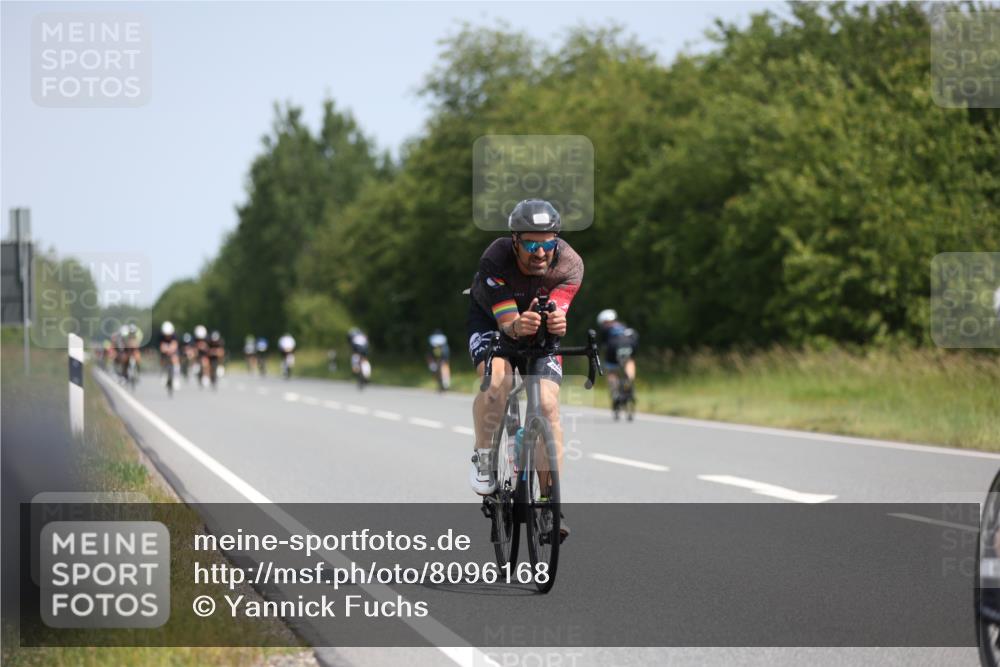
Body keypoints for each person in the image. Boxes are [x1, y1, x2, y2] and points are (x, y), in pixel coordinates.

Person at [466, 199, 583, 541]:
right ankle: (485, 457)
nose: (541, 253)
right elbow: (508, 324)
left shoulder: (571, 263)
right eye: (531, 244)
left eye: (548, 244)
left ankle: (549, 503)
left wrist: (557, 322)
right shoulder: (495, 258)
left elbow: (557, 315)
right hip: (492, 321)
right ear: (515, 240)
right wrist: (518, 326)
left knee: (547, 405)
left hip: (538, 327)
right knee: (498, 381)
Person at [596, 309, 639, 412]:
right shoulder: (623, 326)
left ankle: (614, 391)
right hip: (630, 342)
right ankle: (629, 379)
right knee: (630, 361)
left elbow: (604, 345)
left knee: (611, 370)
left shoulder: (605, 329)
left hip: (614, 346)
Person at [158, 321, 181, 390]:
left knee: (175, 359)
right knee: (162, 360)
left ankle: (176, 379)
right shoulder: (161, 336)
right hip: (165, 351)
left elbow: (175, 345)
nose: (167, 336)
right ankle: (164, 374)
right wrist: (165, 350)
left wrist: (170, 350)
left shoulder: (174, 335)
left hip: (172, 350)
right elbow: (161, 347)